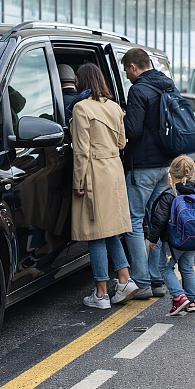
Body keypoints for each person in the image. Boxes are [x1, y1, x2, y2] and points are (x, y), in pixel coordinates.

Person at [70, 63, 138, 309]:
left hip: (93, 172)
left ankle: (100, 294)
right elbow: (121, 142)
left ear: (83, 81)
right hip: (114, 171)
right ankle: (124, 279)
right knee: (109, 229)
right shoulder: (115, 108)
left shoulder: (81, 108)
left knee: (94, 232)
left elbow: (80, 151)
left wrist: (78, 182)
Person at [115, 47, 180, 302]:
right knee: (157, 222)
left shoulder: (138, 90)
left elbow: (134, 130)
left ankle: (140, 281)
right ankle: (156, 279)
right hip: (164, 164)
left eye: (126, 71)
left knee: (134, 222)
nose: (127, 76)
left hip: (141, 165)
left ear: (133, 67)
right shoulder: (168, 86)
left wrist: (122, 116)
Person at [146, 155, 195, 316]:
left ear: (171, 173)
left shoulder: (169, 195)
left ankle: (179, 297)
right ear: (192, 173)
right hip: (193, 239)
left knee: (164, 267)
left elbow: (159, 220)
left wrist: (152, 239)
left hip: (173, 241)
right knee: (187, 268)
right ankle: (191, 301)